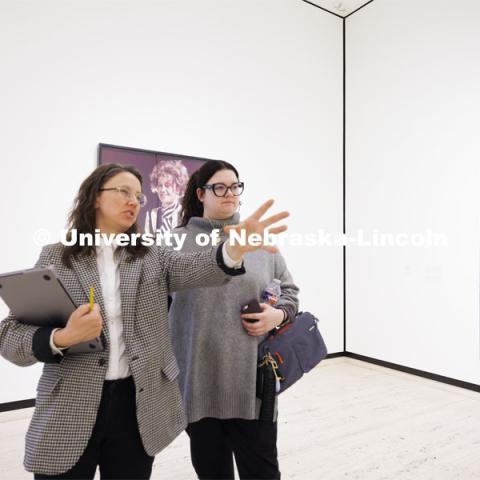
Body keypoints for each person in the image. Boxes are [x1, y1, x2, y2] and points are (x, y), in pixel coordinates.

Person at [0, 162, 288, 480]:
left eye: (138, 196)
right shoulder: (57, 258)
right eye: (124, 192)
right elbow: (11, 335)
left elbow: (198, 267)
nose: (134, 201)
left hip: (137, 407)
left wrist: (232, 249)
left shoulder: (152, 254)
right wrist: (62, 337)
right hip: (71, 406)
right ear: (95, 197)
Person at [168, 160, 299, 480]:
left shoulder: (260, 241)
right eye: (220, 187)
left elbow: (291, 293)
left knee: (263, 472)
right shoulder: (174, 242)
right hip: (198, 383)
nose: (230, 193)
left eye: (235, 187)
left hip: (253, 385)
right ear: (201, 193)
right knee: (212, 473)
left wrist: (277, 315)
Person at [144, 159, 189, 235]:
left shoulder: (186, 214)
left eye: (167, 185)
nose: (162, 190)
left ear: (178, 187)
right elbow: (147, 244)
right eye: (160, 185)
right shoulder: (151, 214)